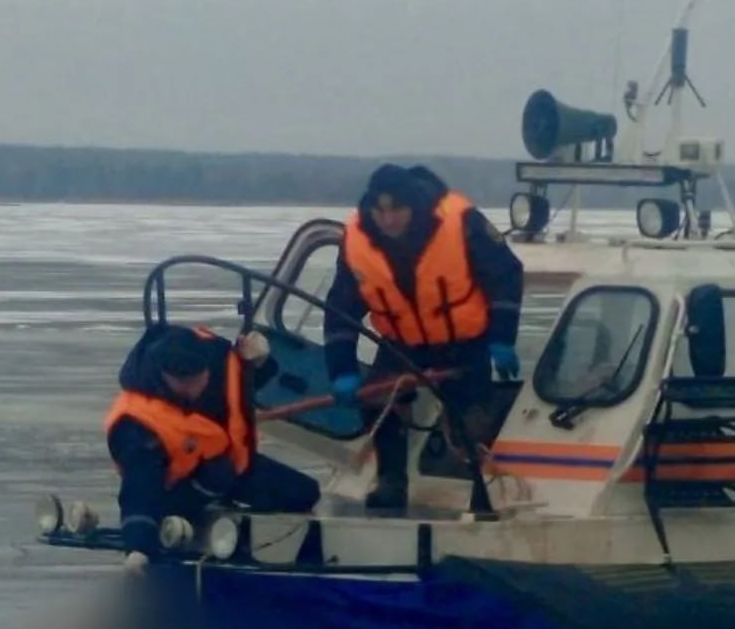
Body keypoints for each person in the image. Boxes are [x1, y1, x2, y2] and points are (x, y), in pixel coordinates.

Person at [322, 163, 525, 513]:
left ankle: (481, 491)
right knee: (378, 403)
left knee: (470, 422)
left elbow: (507, 275)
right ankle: (391, 482)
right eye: (380, 210)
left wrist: (502, 337)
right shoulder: (356, 242)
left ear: (414, 205)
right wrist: (341, 368)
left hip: (464, 343)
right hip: (401, 344)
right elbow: (340, 307)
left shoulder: (462, 222)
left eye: (397, 209)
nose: (388, 219)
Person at [105, 323, 321, 571]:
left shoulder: (211, 368)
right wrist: (137, 548)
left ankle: (259, 543)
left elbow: (238, 391)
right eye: (185, 383)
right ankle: (172, 535)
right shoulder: (136, 424)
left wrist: (260, 362)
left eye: (200, 379)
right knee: (205, 480)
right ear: (165, 377)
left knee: (305, 492)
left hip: (230, 468)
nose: (195, 388)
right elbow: (138, 487)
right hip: (175, 490)